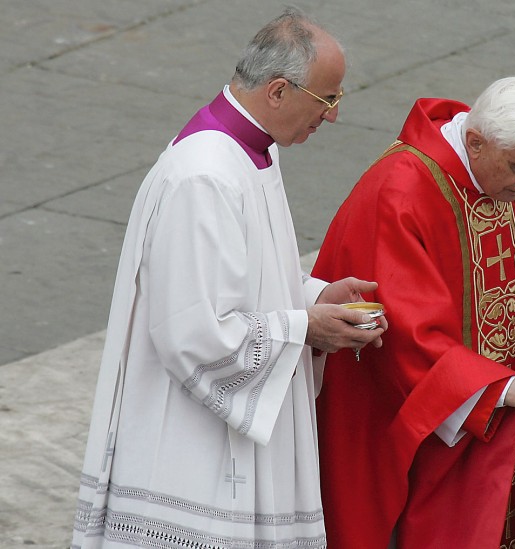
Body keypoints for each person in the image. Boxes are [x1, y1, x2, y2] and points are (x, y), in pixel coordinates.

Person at [70, 9, 386, 547]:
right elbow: (194, 333)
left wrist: (313, 296)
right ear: (280, 92)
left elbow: (241, 277)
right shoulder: (205, 175)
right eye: (328, 99)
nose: (333, 116)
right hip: (191, 454)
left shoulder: (250, 150)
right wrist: (304, 328)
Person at [312, 76, 515, 548]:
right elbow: (404, 339)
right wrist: (513, 390)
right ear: (475, 142)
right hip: (424, 431)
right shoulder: (400, 192)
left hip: (499, 421)